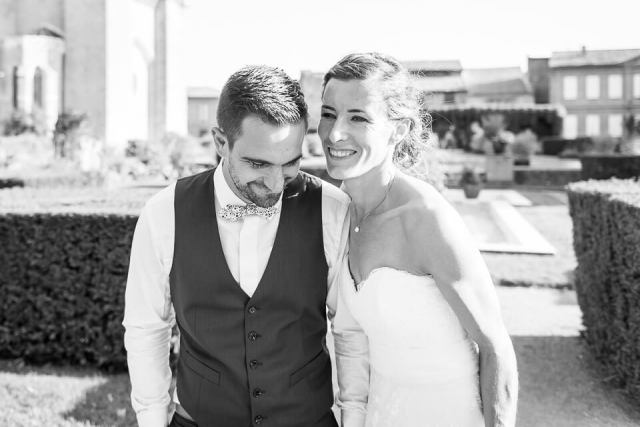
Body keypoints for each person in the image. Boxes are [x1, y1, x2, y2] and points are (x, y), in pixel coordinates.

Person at [123, 65, 369, 427]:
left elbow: (350, 332)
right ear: (221, 142)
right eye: (258, 163)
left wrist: (354, 420)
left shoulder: (331, 210)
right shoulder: (163, 214)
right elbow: (147, 329)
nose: (274, 183)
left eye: (290, 163)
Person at [318, 52, 519, 427]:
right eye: (328, 113)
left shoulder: (426, 219)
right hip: (382, 412)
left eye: (358, 117)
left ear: (399, 130)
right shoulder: (340, 213)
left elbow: (496, 347)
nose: (334, 133)